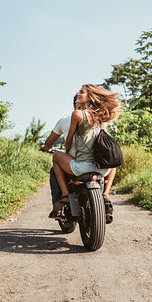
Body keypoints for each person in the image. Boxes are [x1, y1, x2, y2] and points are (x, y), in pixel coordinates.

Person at [41, 93, 117, 222]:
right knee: (112, 161)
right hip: (98, 164)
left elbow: (53, 142)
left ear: (74, 104)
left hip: (76, 164)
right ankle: (105, 194)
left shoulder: (66, 120)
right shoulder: (100, 118)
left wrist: (46, 147)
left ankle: (62, 198)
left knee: (55, 164)